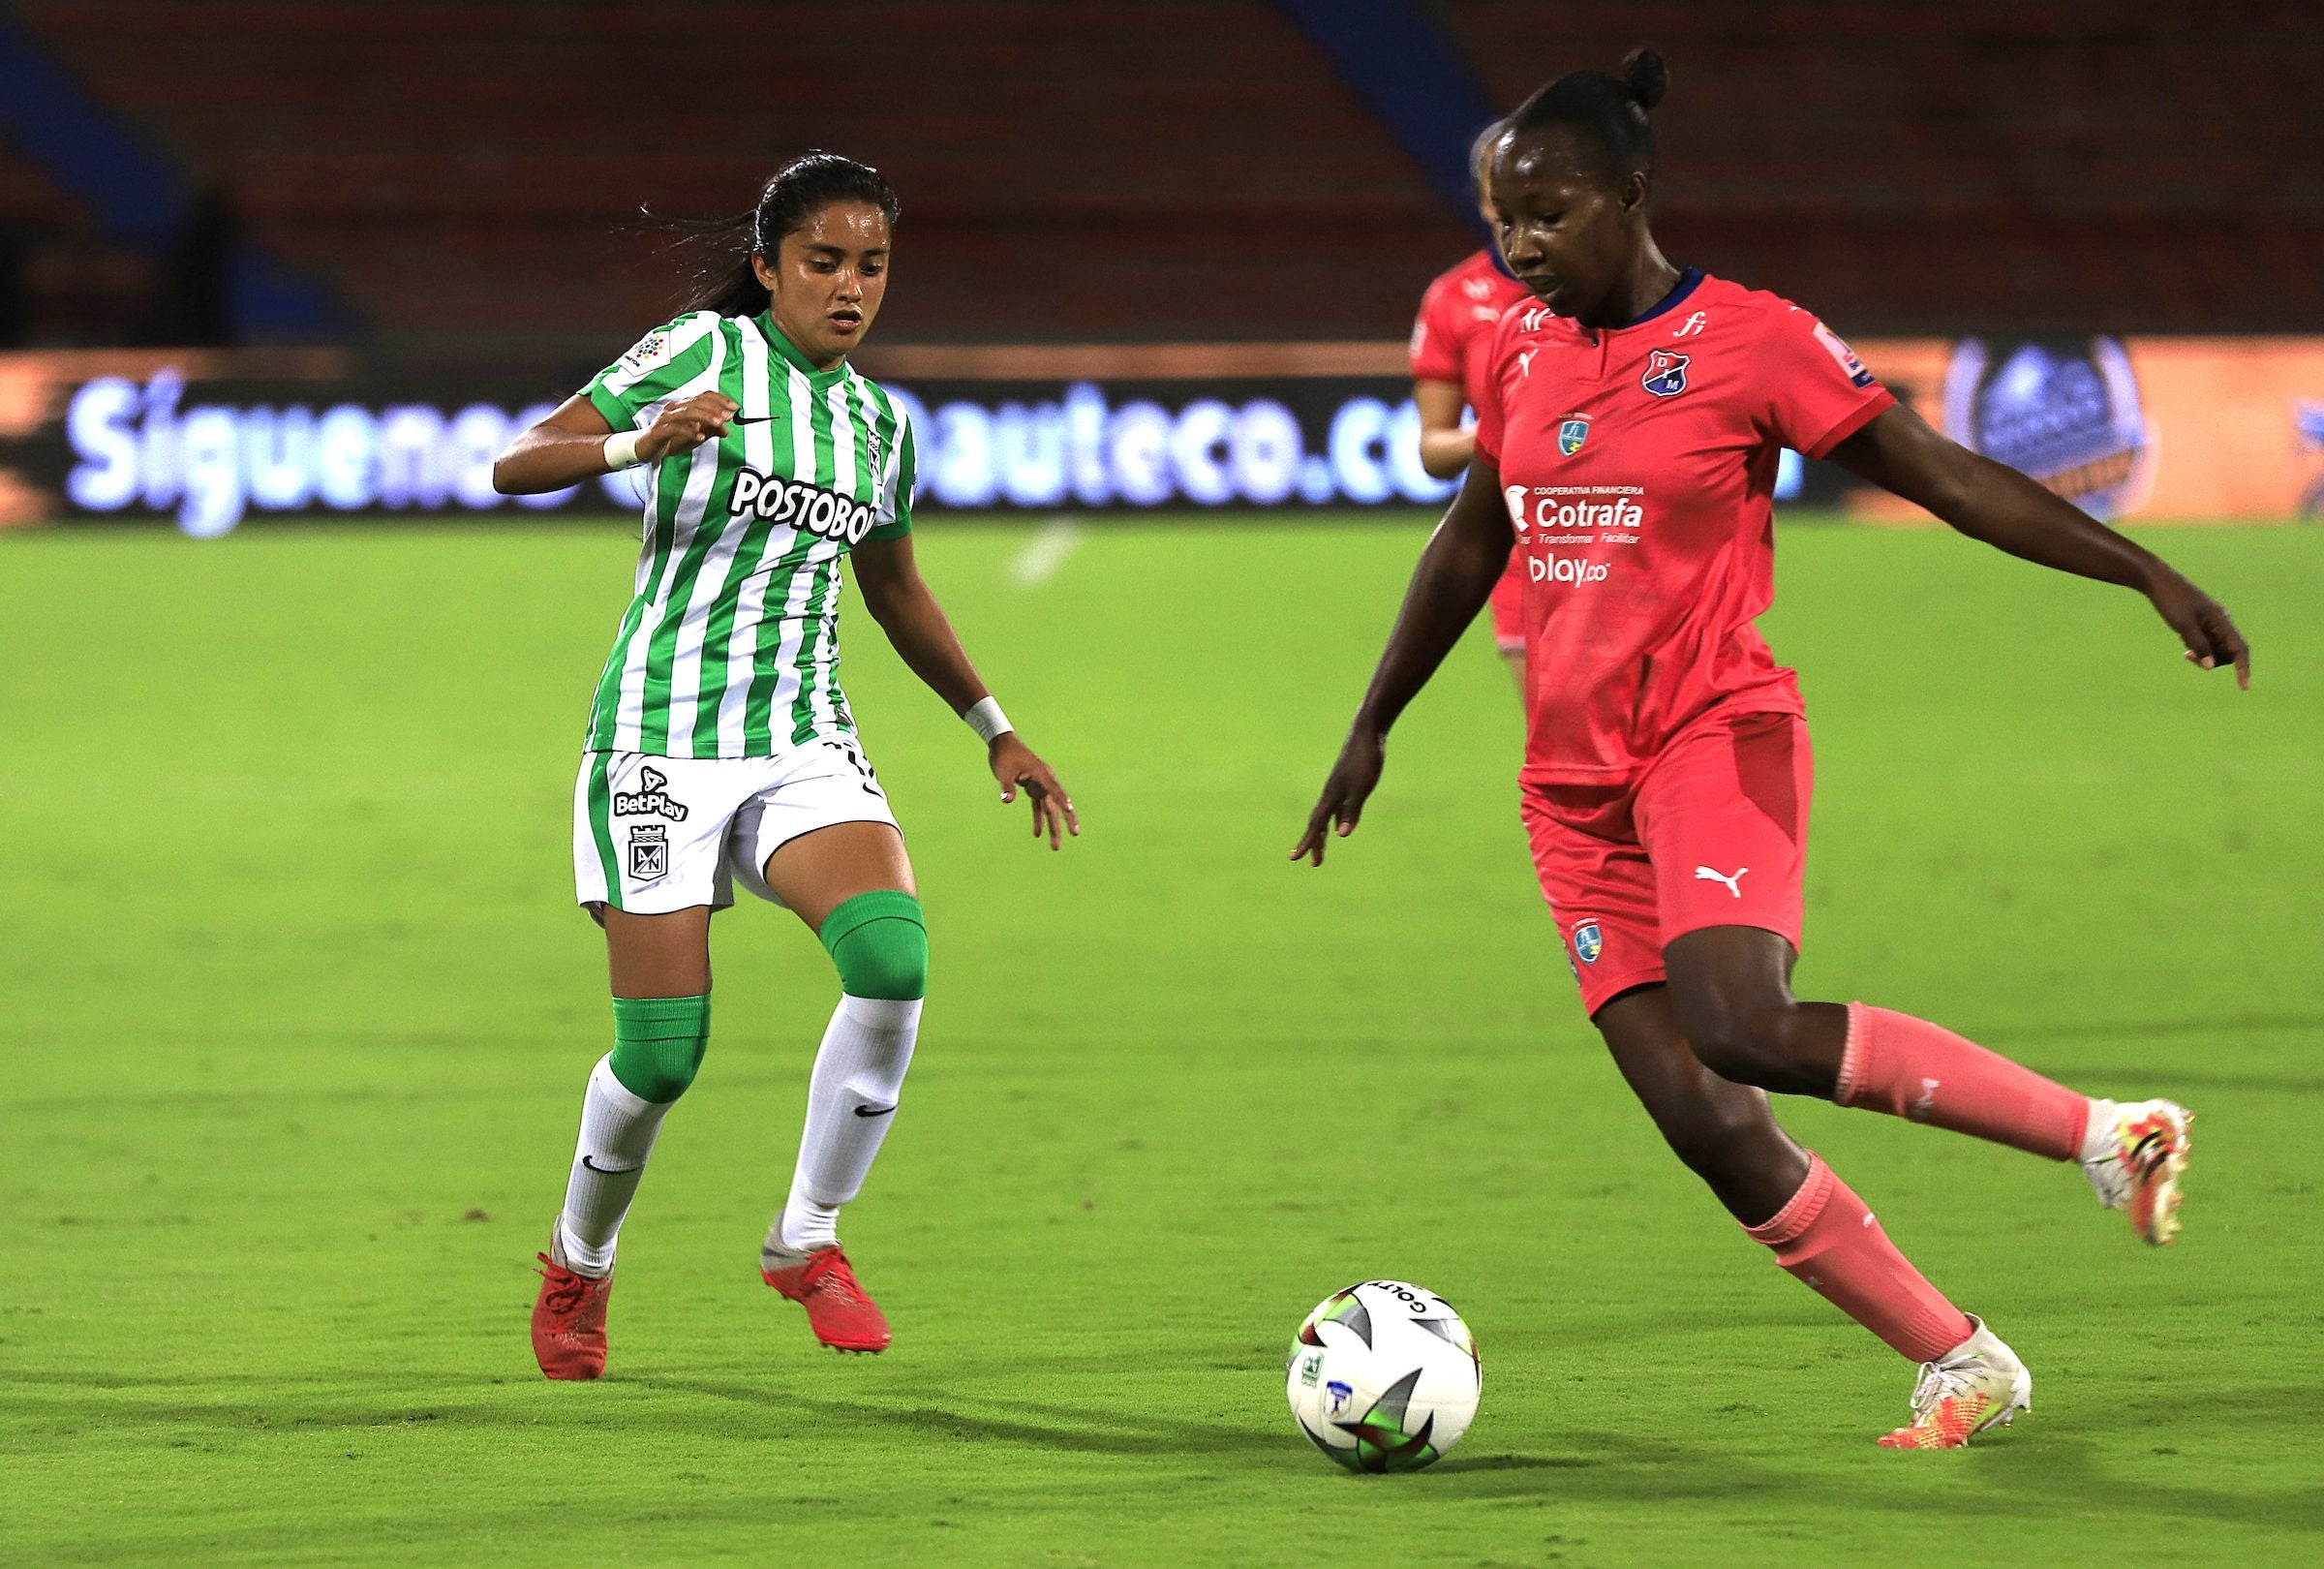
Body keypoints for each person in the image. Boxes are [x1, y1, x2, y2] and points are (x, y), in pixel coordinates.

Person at [1293, 51, 2248, 1449]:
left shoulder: (1757, 341)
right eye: (1503, 222)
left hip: (1710, 739)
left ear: (1630, 195)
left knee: (1744, 1021)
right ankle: (1960, 1360)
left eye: (1548, 216)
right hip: (1570, 795)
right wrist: (1372, 725)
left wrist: (2146, 572)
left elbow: (1950, 477)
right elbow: (1474, 536)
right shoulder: (1518, 348)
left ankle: (2107, 1135)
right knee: (1707, 1121)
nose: (1521, 248)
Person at [493, 152, 1077, 1379]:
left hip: (800, 737)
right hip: (658, 737)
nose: (850, 286)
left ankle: (806, 1238)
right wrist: (638, 446)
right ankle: (578, 1267)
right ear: (769, 267)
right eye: (825, 261)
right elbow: (518, 461)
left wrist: (996, 728)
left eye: (871, 265)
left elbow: (896, 589)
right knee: (661, 1056)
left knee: (893, 959)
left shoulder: (876, 424)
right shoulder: (697, 354)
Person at [1410, 119, 1534, 689]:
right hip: (1519, 539)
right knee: (1563, 750)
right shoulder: (1454, 299)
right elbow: (1433, 450)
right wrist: (1502, 433)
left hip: (1620, 533)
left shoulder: (1612, 292)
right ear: (1484, 199)